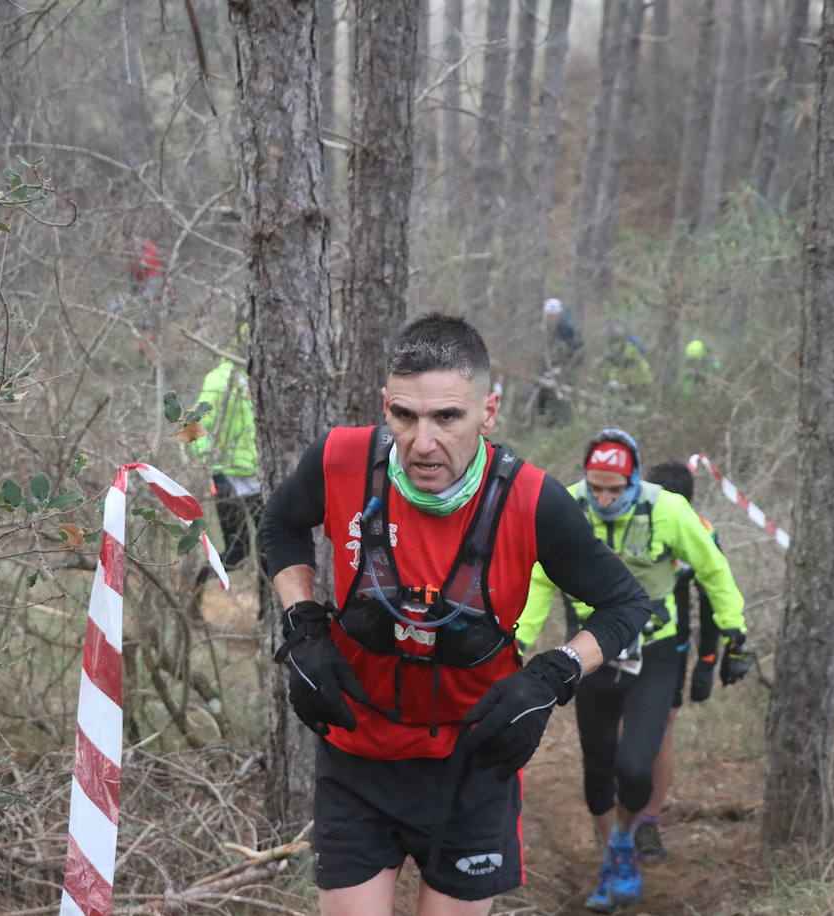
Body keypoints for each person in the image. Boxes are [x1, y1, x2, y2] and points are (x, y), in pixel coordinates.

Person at [259, 314, 651, 916]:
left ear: (488, 412)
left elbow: (626, 603)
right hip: (358, 754)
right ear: (385, 406)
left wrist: (552, 675)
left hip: (473, 762)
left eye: (448, 417)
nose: (423, 442)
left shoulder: (531, 500)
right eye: (405, 416)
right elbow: (280, 525)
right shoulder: (341, 460)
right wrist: (303, 623)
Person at [515, 430, 752, 913]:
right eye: (596, 487)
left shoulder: (666, 509)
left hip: (657, 652)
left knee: (635, 766)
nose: (603, 499)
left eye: (614, 489)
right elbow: (541, 575)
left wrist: (733, 631)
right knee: (597, 766)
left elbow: (712, 566)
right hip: (593, 649)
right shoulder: (568, 505)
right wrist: (517, 636)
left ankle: (625, 837)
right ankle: (612, 858)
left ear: (634, 480)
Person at [633, 460, 726, 864]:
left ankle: (647, 823)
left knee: (658, 733)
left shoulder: (701, 532)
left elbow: (710, 598)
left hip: (670, 650)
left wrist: (708, 661)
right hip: (622, 643)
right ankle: (625, 819)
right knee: (634, 735)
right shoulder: (626, 523)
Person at [187, 346, 259, 571]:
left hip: (261, 477)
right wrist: (213, 467)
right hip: (228, 478)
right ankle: (195, 586)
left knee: (272, 549)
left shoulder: (261, 374)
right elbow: (193, 426)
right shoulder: (219, 379)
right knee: (237, 553)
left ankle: (277, 606)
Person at [595, 320, 653, 392]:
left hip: (638, 380)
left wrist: (606, 359)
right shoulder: (624, 342)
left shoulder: (628, 344)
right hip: (637, 379)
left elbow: (625, 363)